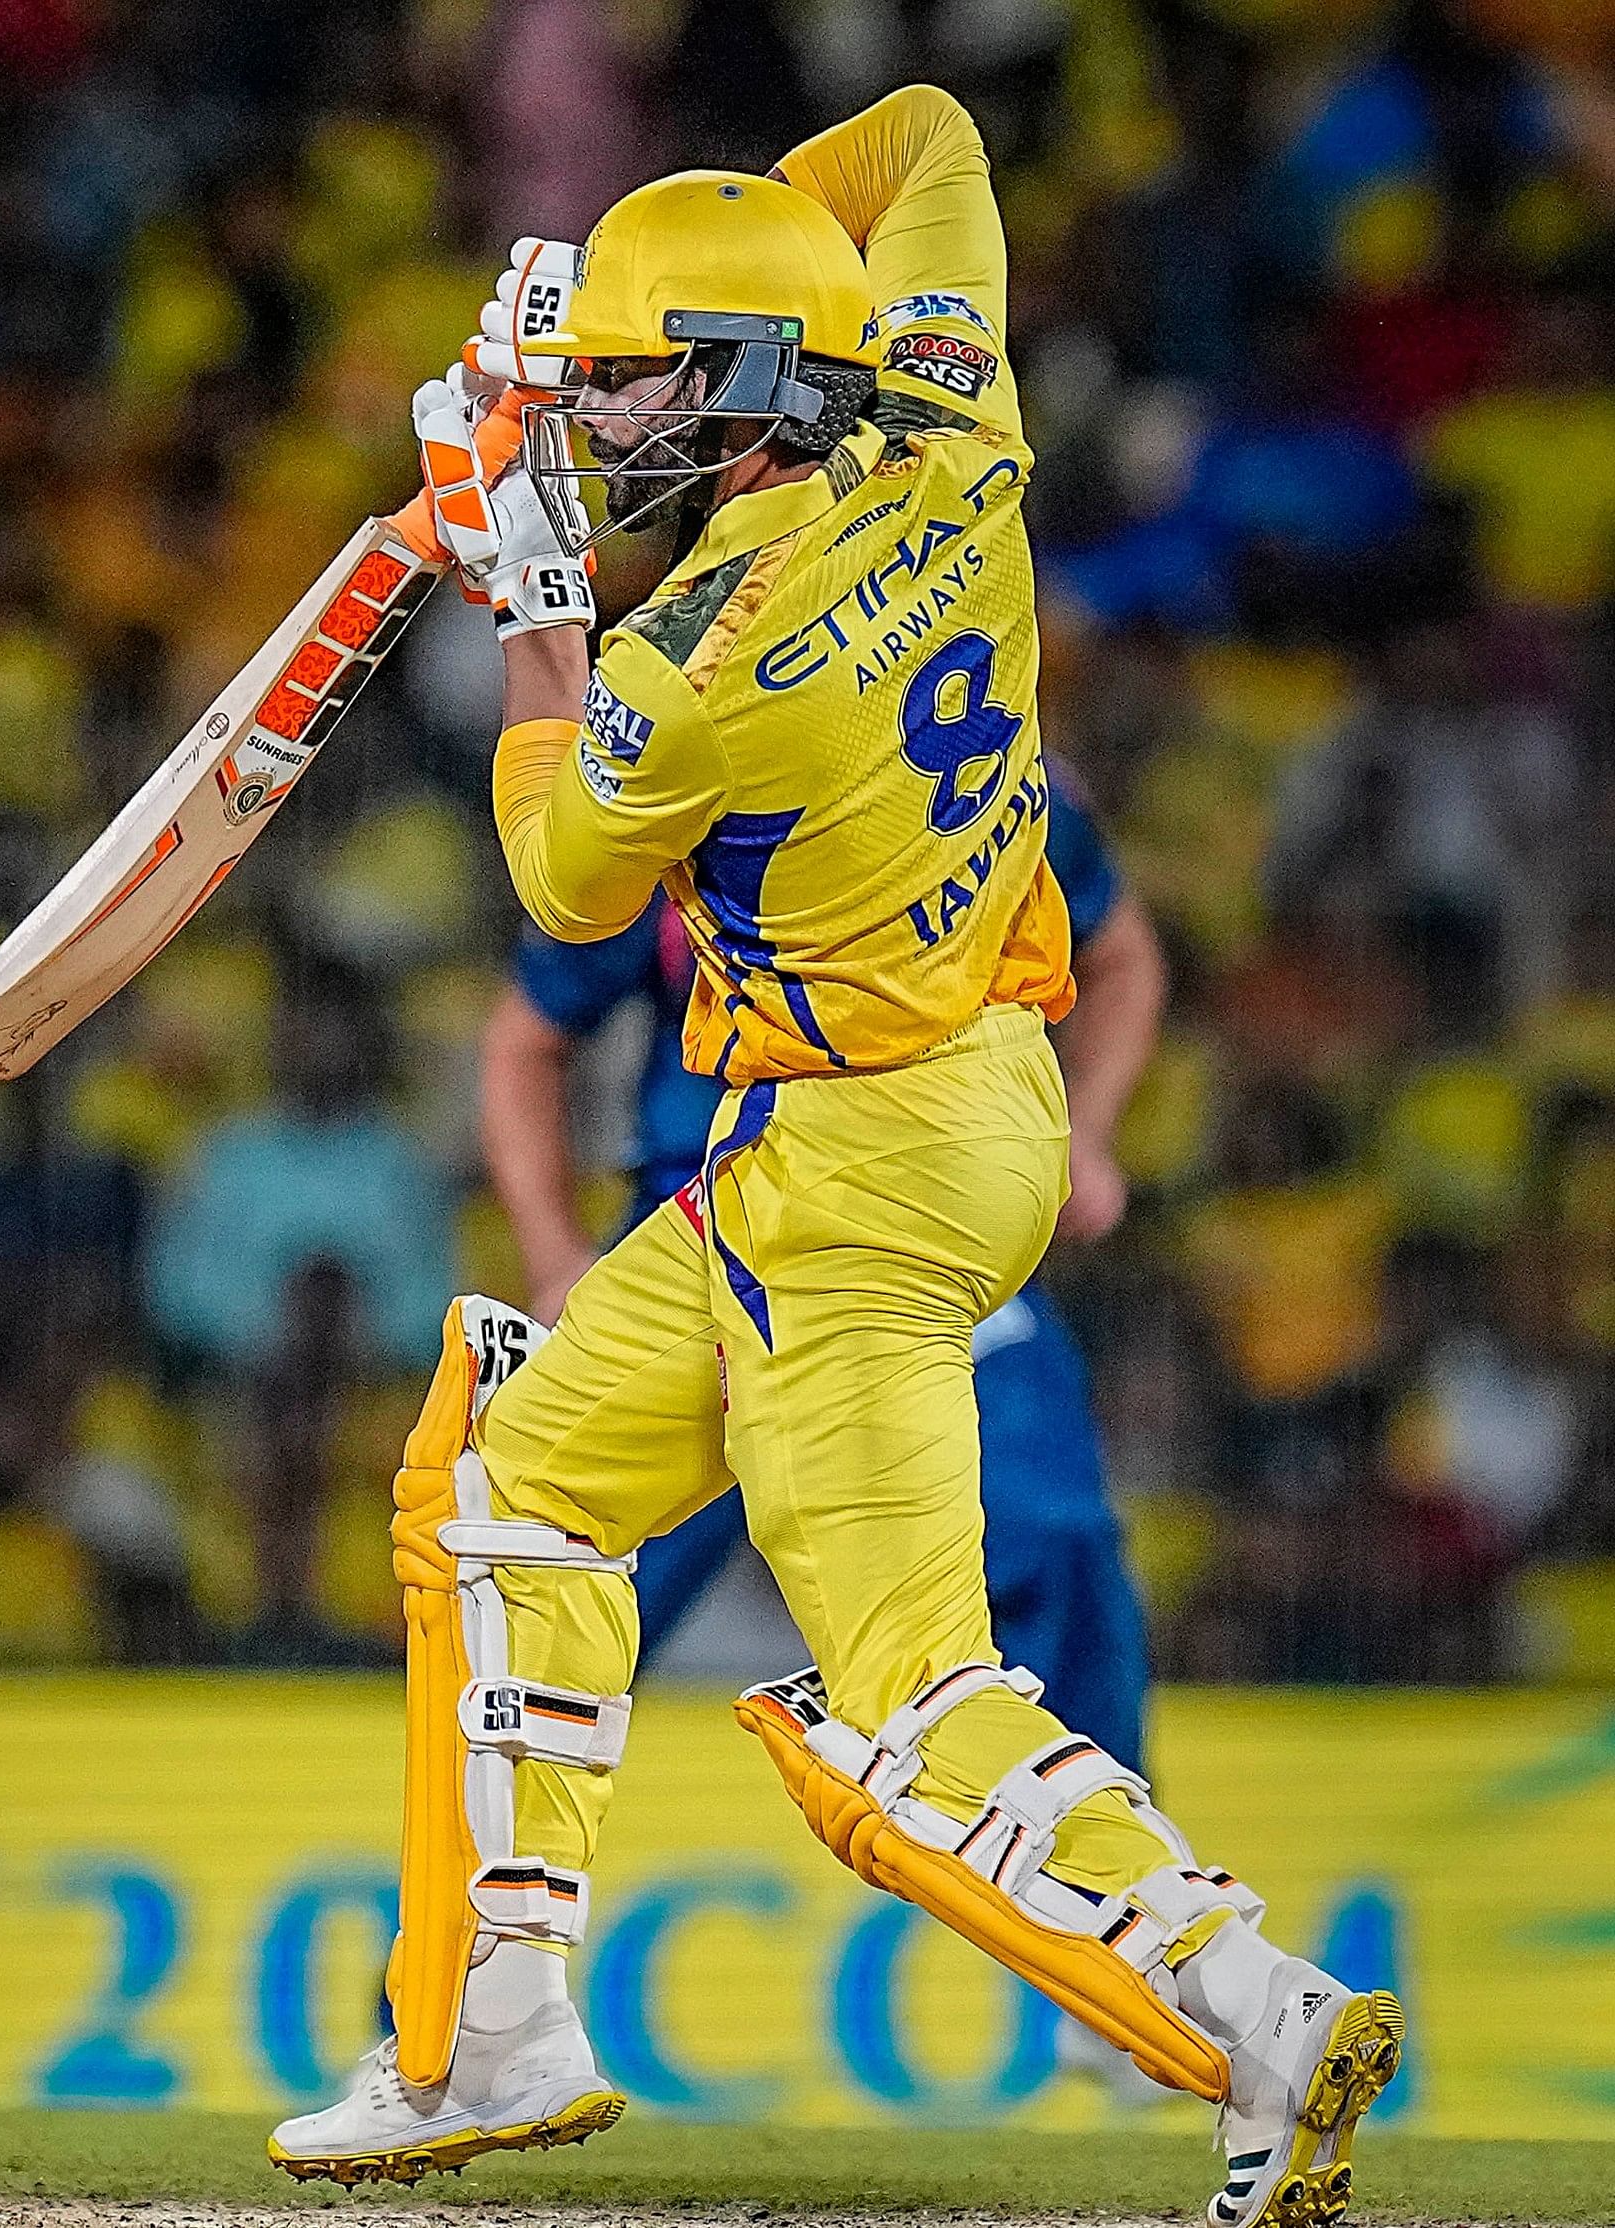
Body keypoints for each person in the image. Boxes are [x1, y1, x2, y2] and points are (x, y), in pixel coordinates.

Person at [267, 90, 1402, 2228]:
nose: (607, 415)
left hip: (849, 1176)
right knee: (512, 1490)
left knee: (908, 1701)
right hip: (956, 1096)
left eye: (640, 380)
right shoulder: (961, 427)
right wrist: (669, 278)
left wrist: (527, 583)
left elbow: (563, 879)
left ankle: (1253, 2005)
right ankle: (483, 2028)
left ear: (758, 379)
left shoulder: (695, 668)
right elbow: (933, 136)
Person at [481, 778, 1165, 1766]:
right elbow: (523, 1038)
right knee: (549, 1570)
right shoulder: (692, 790)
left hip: (911, 1217)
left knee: (1053, 1538)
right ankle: (475, 1864)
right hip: (705, 1233)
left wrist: (1087, 1135)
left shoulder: (983, 771)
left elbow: (1122, 954)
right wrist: (553, 1257)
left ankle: (1106, 1881)